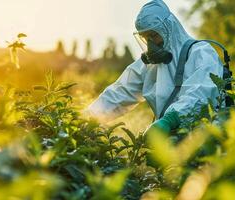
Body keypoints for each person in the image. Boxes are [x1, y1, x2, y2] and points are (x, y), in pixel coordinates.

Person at [85, 0, 224, 136]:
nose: (150, 43)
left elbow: (202, 92)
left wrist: (170, 120)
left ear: (169, 28)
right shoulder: (149, 64)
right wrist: (87, 118)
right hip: (173, 139)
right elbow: (119, 93)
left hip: (206, 138)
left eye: (154, 35)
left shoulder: (200, 52)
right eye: (145, 37)